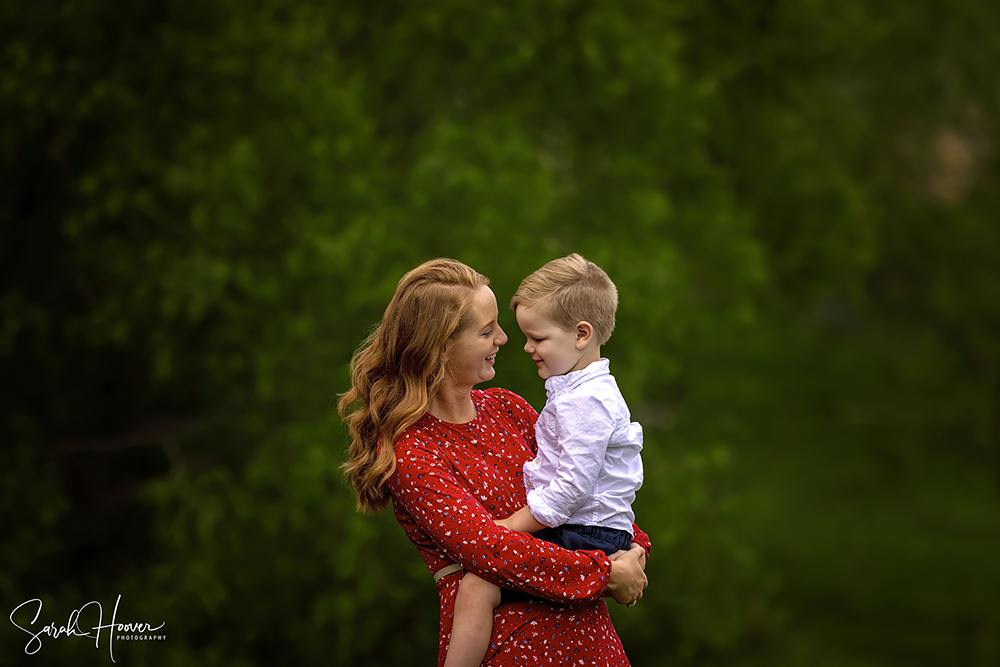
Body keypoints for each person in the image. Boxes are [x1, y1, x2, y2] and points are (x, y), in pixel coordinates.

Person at [339, 258, 650, 667]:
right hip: (512, 649)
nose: (504, 338)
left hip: (592, 645)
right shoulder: (411, 450)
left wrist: (635, 549)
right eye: (487, 330)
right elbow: (488, 548)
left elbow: (587, 485)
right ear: (440, 346)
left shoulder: (508, 408)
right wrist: (604, 572)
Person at [444, 253, 644, 667]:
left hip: (589, 532)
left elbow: (570, 489)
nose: (526, 347)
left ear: (581, 334)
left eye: (537, 338)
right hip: (596, 531)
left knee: (477, 588)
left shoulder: (585, 403)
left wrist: (510, 528)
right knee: (478, 588)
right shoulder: (578, 393)